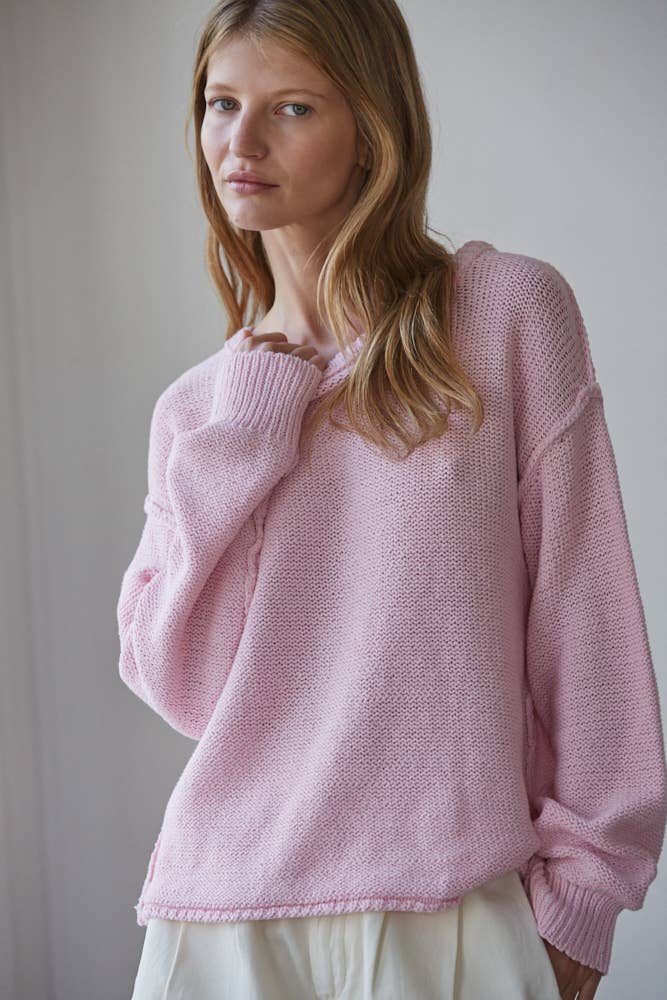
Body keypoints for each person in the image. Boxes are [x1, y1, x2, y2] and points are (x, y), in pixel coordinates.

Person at [117, 1, 667, 997]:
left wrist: (587, 895)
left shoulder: (503, 317)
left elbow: (586, 622)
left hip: (449, 909)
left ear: (373, 129)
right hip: (222, 920)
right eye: (220, 104)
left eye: (290, 108)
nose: (240, 142)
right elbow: (181, 685)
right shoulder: (199, 410)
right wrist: (245, 432)